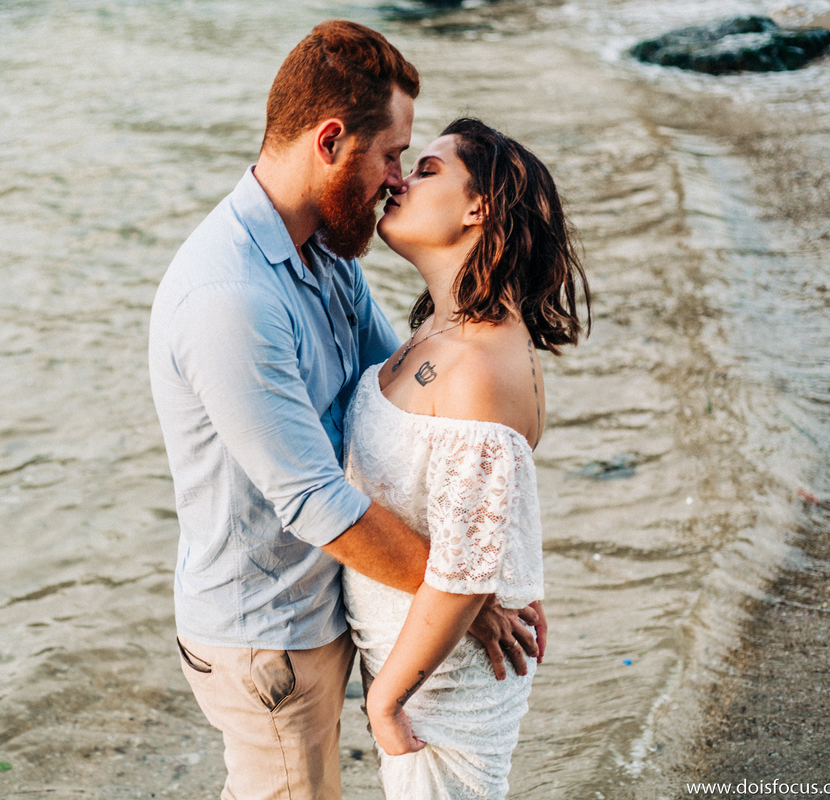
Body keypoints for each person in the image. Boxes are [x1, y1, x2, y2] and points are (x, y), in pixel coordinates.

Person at [148, 22, 545, 800]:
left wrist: (475, 578)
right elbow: (315, 502)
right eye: (392, 156)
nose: (396, 180)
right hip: (271, 637)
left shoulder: (325, 254)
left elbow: (398, 395)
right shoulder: (230, 298)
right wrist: (465, 597)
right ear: (331, 141)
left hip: (327, 611)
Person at [341, 118, 591, 799]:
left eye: (426, 170)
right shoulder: (445, 328)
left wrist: (385, 702)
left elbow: (463, 574)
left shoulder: (478, 366)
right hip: (424, 670)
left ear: (479, 207)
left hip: (442, 697)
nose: (399, 181)